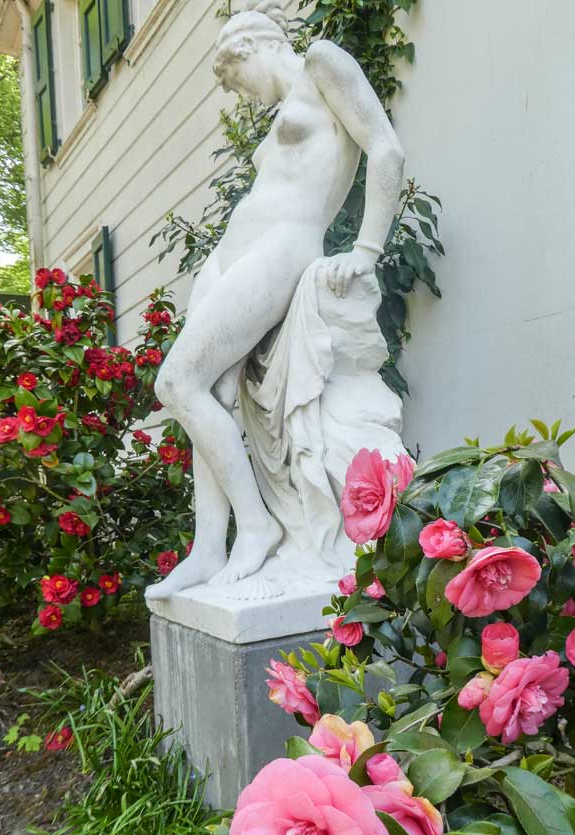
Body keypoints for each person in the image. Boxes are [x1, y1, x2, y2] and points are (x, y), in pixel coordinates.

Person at [146, 0, 404, 600]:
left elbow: (386, 149)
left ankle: (255, 526)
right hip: (233, 256)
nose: (243, 94)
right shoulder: (282, 114)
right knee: (206, 392)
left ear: (250, 48)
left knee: (175, 383)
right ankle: (207, 548)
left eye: (236, 80)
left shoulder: (321, 63)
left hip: (284, 246)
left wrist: (365, 250)